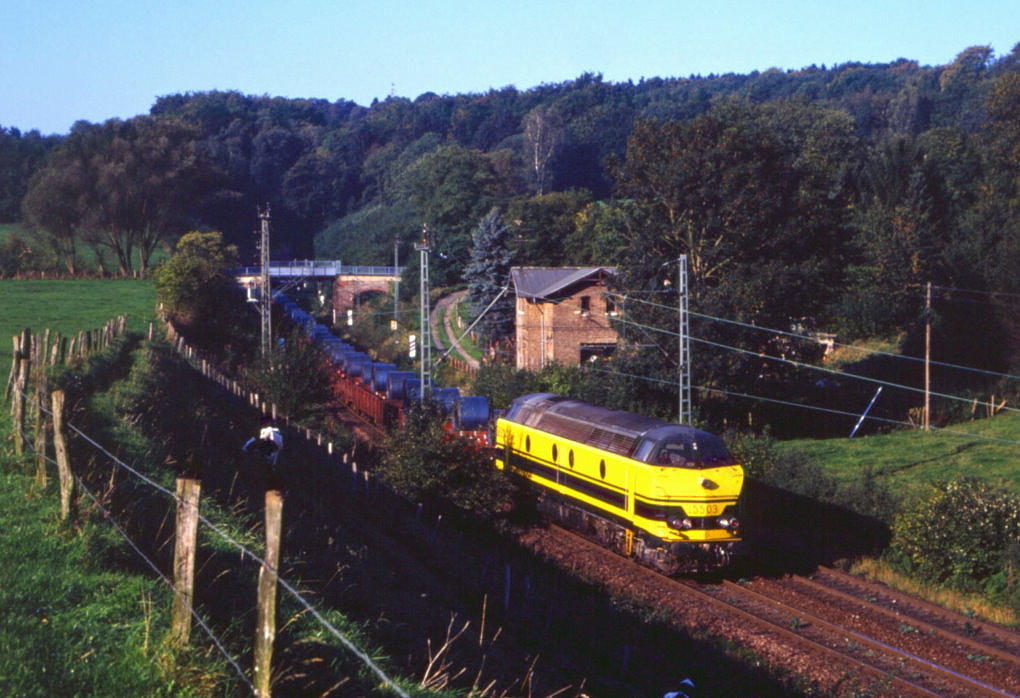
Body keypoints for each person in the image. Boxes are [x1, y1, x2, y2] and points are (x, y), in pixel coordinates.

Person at [243, 417, 284, 489]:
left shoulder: (268, 430)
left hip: (270, 447)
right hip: (274, 449)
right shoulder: (277, 431)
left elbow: (262, 439)